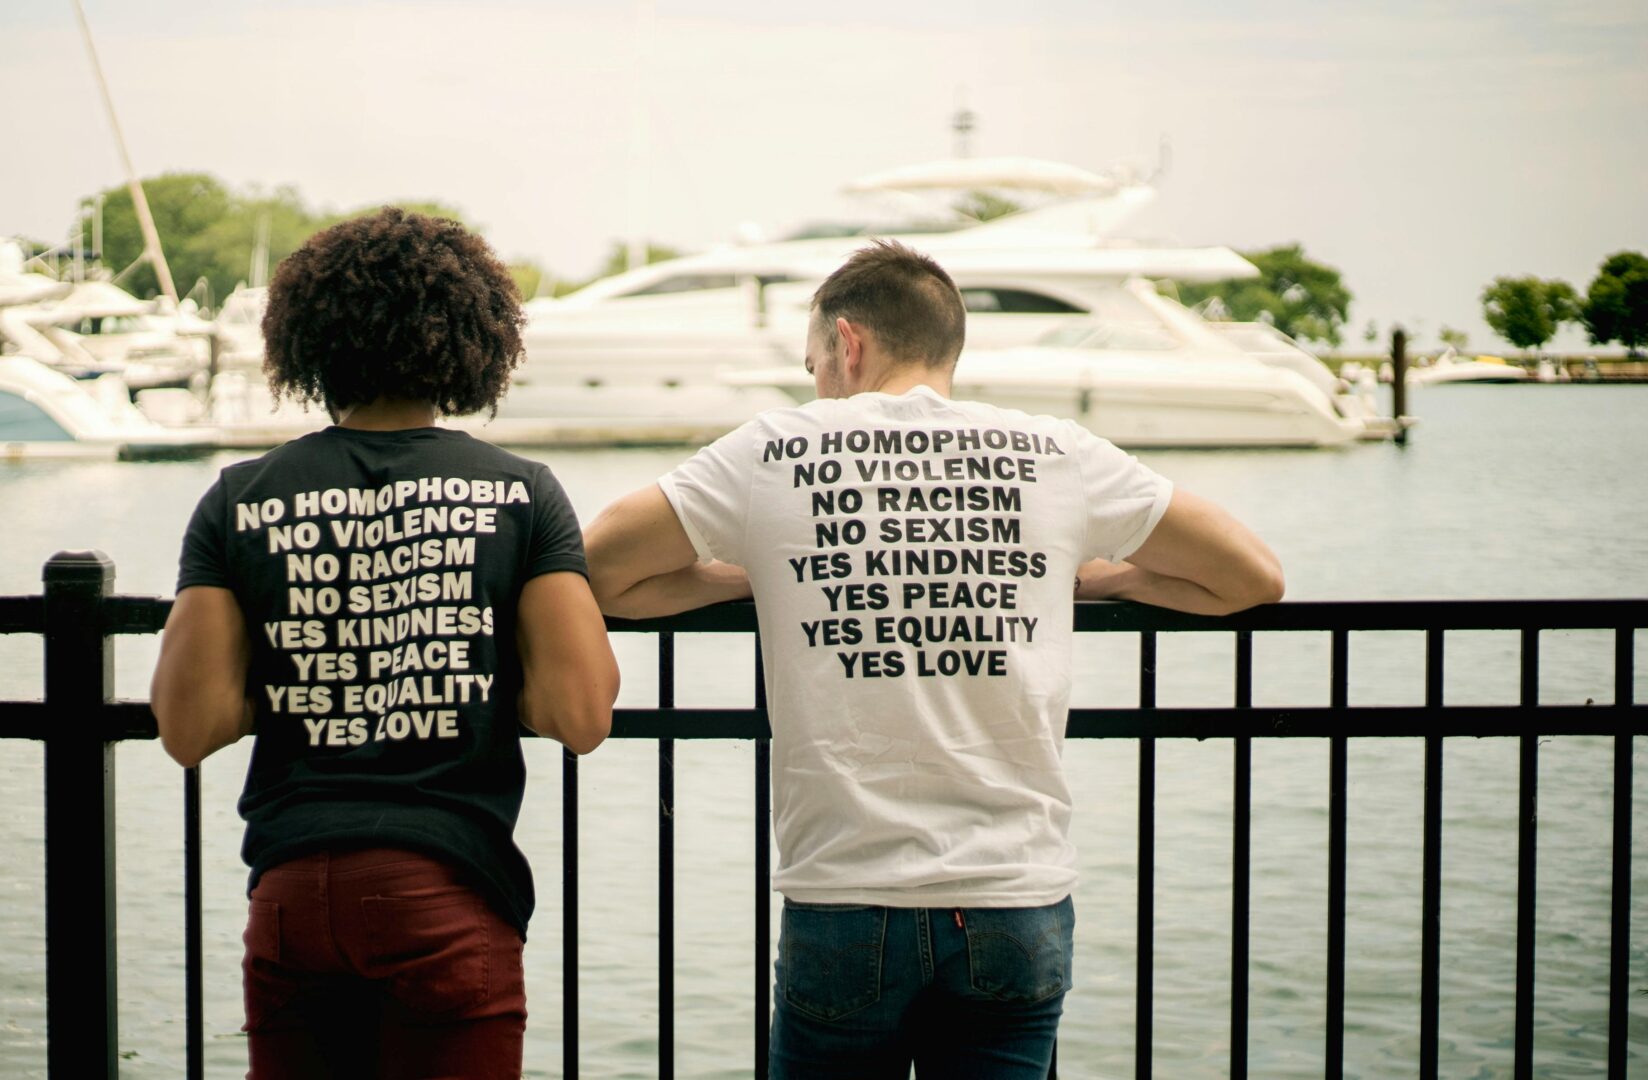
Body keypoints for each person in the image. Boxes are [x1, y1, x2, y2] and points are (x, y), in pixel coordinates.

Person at [583, 240, 1282, 1078]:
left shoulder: (776, 449)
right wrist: (1078, 577)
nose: (817, 384)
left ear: (848, 343)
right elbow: (1250, 578)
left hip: (845, 896)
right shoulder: (1053, 453)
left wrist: (771, 572)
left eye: (814, 365)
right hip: (1013, 898)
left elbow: (600, 570)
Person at [150, 208, 619, 1079]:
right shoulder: (521, 494)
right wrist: (478, 680)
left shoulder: (238, 497)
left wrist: (309, 683)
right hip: (445, 886)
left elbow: (188, 725)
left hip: (291, 895)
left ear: (309, 342)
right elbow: (581, 713)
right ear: (475, 339)